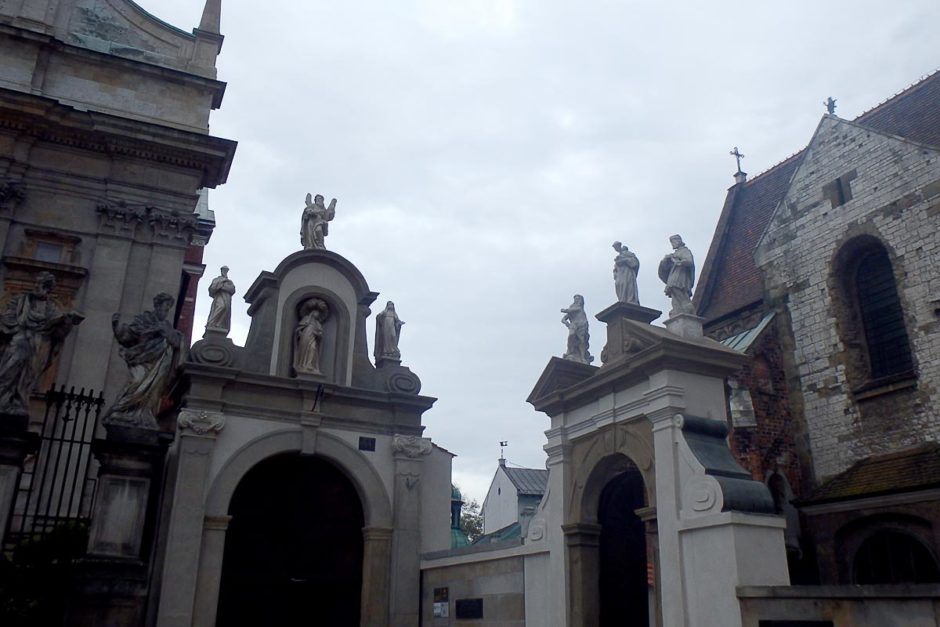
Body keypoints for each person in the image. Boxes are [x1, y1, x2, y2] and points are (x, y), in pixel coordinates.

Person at [0, 272, 83, 420]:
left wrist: (67, 321)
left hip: (40, 345)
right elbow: (7, 318)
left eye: (42, 285)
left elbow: (59, 334)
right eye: (37, 283)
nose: (37, 287)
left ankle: (19, 404)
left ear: (48, 288)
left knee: (29, 377)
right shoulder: (21, 301)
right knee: (7, 371)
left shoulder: (51, 308)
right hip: (20, 341)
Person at [104, 293, 182, 429]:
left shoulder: (166, 325)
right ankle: (120, 410)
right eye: (165, 308)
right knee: (136, 382)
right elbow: (127, 337)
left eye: (168, 310)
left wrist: (166, 333)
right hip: (141, 360)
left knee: (152, 393)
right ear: (157, 306)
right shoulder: (144, 320)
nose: (166, 312)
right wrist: (116, 327)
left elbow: (176, 342)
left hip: (158, 365)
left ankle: (143, 415)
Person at [658, 234, 695, 315]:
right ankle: (677, 307)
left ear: (678, 241)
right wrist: (665, 260)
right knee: (672, 290)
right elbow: (665, 267)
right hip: (674, 273)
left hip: (681, 274)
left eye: (673, 242)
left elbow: (689, 261)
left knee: (675, 287)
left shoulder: (685, 251)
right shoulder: (676, 253)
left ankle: (686, 305)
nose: (672, 244)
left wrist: (678, 261)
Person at [294, 298, 329, 375]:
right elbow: (299, 328)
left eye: (318, 314)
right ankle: (302, 365)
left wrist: (318, 335)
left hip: (313, 338)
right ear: (312, 313)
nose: (317, 315)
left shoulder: (318, 324)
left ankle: (310, 365)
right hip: (305, 336)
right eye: (316, 313)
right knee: (304, 349)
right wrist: (299, 332)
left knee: (313, 348)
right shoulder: (306, 319)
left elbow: (320, 334)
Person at [561, 294, 593, 364]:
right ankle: (570, 351)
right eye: (575, 299)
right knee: (571, 336)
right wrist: (566, 323)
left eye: (578, 299)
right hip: (574, 325)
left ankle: (582, 357)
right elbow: (563, 319)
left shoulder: (579, 308)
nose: (577, 300)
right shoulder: (572, 309)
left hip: (582, 325)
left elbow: (569, 311)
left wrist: (564, 310)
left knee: (581, 341)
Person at [205, 265, 235, 334]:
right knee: (221, 307)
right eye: (224, 270)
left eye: (226, 270)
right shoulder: (216, 279)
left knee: (225, 309)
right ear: (221, 271)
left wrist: (222, 286)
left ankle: (219, 324)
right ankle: (211, 323)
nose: (225, 272)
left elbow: (232, 290)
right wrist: (221, 284)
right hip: (219, 296)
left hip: (227, 298)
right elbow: (212, 289)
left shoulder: (229, 281)